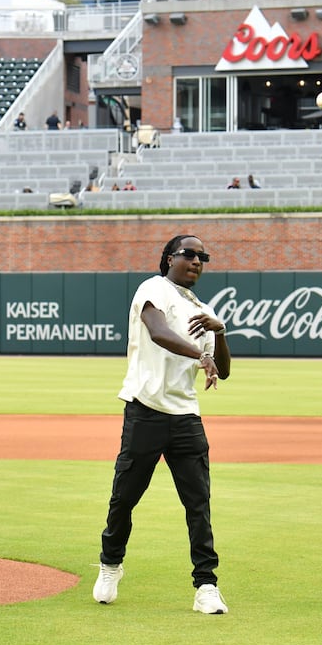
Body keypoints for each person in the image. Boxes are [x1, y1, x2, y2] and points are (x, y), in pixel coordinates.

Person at [91, 236, 233, 615]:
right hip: (146, 410)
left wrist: (219, 333)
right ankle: (110, 565)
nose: (197, 261)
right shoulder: (153, 289)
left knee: (198, 503)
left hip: (185, 416)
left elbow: (227, 370)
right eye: (190, 254)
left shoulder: (203, 309)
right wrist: (201, 355)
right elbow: (158, 331)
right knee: (125, 497)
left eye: (203, 257)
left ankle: (206, 585)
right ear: (170, 258)